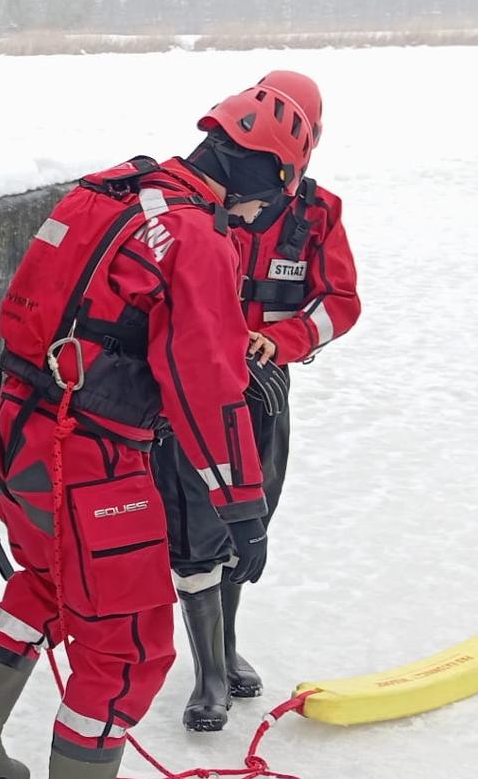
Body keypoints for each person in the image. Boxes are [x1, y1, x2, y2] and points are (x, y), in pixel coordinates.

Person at [0, 78, 305, 779]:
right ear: (265, 169)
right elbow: (209, 391)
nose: (266, 214)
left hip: (20, 432)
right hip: (93, 460)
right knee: (129, 648)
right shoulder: (196, 236)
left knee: (44, 581)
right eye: (277, 193)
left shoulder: (104, 191)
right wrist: (244, 510)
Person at [161, 70, 358, 731]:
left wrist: (283, 340)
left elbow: (340, 304)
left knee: (250, 524)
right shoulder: (205, 195)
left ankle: (227, 645)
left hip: (264, 387)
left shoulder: (317, 213)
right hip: (191, 388)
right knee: (198, 525)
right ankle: (210, 677)